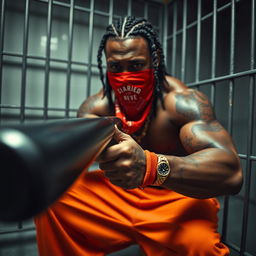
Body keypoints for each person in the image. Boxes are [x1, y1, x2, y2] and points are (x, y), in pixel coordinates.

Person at [35, 16, 243, 256]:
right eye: (115, 67)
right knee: (51, 199)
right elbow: (70, 159)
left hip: (176, 199)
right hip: (118, 196)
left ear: (153, 61)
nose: (124, 76)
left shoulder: (181, 102)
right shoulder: (96, 108)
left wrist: (152, 166)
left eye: (135, 65)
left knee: (202, 248)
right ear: (107, 65)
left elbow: (232, 173)